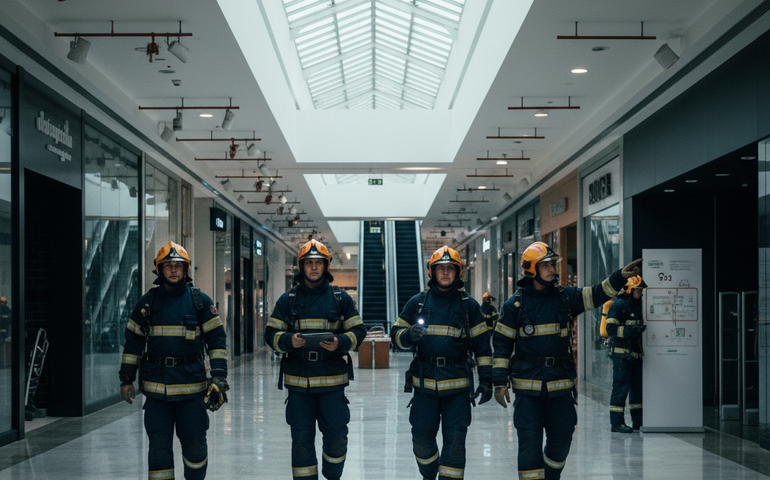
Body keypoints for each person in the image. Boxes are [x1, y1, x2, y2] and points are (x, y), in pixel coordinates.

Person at [492, 241, 641, 479]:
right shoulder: (514, 306)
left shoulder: (566, 298)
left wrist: (619, 278)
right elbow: (501, 345)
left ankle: (551, 476)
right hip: (528, 390)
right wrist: (499, 382)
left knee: (562, 438)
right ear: (532, 269)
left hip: (560, 387)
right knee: (529, 444)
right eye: (546, 265)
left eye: (553, 264)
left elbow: (596, 294)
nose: (552, 269)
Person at [119, 241, 228, 480]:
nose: (174, 270)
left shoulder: (200, 302)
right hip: (157, 393)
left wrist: (219, 377)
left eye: (178, 265)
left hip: (192, 392)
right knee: (158, 449)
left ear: (186, 269)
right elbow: (133, 343)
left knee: (195, 446)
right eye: (168, 265)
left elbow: (217, 341)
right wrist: (126, 379)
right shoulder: (147, 304)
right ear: (159, 270)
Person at [264, 239, 365, 480]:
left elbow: (359, 332)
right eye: (308, 263)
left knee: (337, 438)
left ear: (326, 266)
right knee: (301, 441)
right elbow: (270, 334)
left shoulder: (341, 299)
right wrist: (289, 341)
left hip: (332, 385)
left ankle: (333, 475)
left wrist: (340, 343)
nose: (313, 268)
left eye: (318, 263)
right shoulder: (287, 300)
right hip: (299, 385)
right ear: (301, 267)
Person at [391, 245, 493, 480]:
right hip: (424, 386)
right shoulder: (417, 302)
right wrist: (407, 336)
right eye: (440, 268)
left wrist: (487, 379)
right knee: (421, 438)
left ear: (458, 273)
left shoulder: (469, 307)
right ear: (432, 272)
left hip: (457, 388)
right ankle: (429, 473)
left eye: (450, 268)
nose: (445, 273)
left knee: (455, 440)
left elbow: (482, 347)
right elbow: (396, 334)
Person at [606, 275, 647, 433]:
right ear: (629, 290)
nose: (640, 293)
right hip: (621, 357)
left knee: (636, 390)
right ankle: (616, 423)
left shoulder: (637, 306)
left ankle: (638, 421)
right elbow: (611, 330)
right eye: (637, 290)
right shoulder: (618, 306)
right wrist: (632, 331)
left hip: (635, 356)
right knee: (620, 389)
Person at [0, 296, 9, 368]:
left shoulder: (7, 310)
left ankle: (2, 364)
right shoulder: (6, 310)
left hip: (3, 333)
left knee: (2, 348)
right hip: (3, 332)